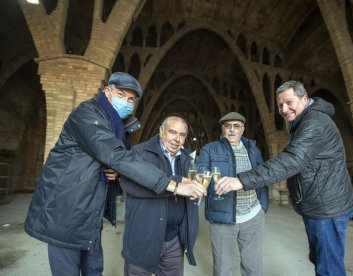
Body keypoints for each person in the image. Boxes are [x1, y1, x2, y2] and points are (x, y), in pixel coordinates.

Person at [24, 72, 206, 276]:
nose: (126, 103)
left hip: (90, 213)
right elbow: (116, 156)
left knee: (94, 270)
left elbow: (111, 161)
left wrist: (116, 173)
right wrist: (175, 184)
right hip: (64, 212)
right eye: (121, 95)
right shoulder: (87, 114)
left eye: (131, 99)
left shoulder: (118, 126)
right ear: (107, 91)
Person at [216, 81, 353, 276]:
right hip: (321, 203)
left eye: (289, 102)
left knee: (329, 267)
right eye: (280, 105)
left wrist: (241, 181)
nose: (284, 109)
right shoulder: (304, 122)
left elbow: (292, 160)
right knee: (322, 260)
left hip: (327, 207)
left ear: (304, 99)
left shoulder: (314, 123)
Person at [121, 116, 199, 276]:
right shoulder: (140, 152)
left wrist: (195, 186)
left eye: (182, 135)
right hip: (144, 238)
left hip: (174, 240)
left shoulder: (186, 158)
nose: (177, 139)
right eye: (172, 132)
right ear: (161, 131)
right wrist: (176, 184)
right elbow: (130, 185)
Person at [196, 112, 269, 276]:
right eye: (227, 126)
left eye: (236, 126)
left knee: (254, 267)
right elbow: (201, 170)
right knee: (222, 268)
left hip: (253, 215)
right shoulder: (209, 149)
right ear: (222, 129)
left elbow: (262, 176)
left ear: (243, 129)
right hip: (222, 218)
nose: (231, 130)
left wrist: (262, 207)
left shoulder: (253, 149)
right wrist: (199, 181)